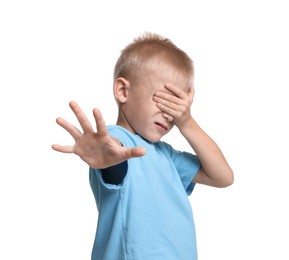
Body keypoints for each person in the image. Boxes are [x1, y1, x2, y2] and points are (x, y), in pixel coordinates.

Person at [52, 32, 234, 260]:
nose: (169, 115)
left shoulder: (166, 155)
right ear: (123, 91)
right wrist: (108, 157)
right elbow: (115, 159)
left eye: (176, 107)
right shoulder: (118, 141)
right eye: (162, 100)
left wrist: (187, 122)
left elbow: (223, 177)